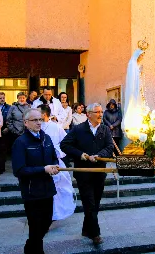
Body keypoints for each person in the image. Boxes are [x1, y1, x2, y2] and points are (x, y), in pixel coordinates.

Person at [60, 103, 114, 245]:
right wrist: (81, 155)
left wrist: (99, 155)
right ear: (88, 114)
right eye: (97, 112)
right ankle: (95, 234)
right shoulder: (78, 129)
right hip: (83, 173)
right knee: (89, 203)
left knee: (95, 203)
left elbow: (110, 147)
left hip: (99, 172)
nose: (100, 114)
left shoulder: (105, 129)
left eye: (101, 112)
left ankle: (86, 229)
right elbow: (64, 145)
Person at [11, 108, 59, 254]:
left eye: (40, 119)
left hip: (48, 189)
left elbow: (54, 158)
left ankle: (30, 247)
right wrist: (43, 169)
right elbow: (19, 170)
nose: (39, 123)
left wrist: (55, 165)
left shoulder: (47, 138)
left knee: (47, 221)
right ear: (26, 123)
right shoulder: (20, 142)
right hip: (31, 191)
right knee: (36, 226)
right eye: (35, 120)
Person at [37, 105, 76, 221]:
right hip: (39, 163)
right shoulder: (34, 127)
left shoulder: (56, 127)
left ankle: (54, 214)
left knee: (58, 189)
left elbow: (66, 143)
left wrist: (56, 151)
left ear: (44, 114)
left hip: (54, 162)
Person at [0, 92, 11, 174]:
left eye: (3, 98)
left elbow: (11, 119)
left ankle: (2, 167)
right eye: (0, 98)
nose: (2, 99)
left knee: (3, 150)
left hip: (5, 130)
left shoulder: (9, 107)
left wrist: (8, 128)